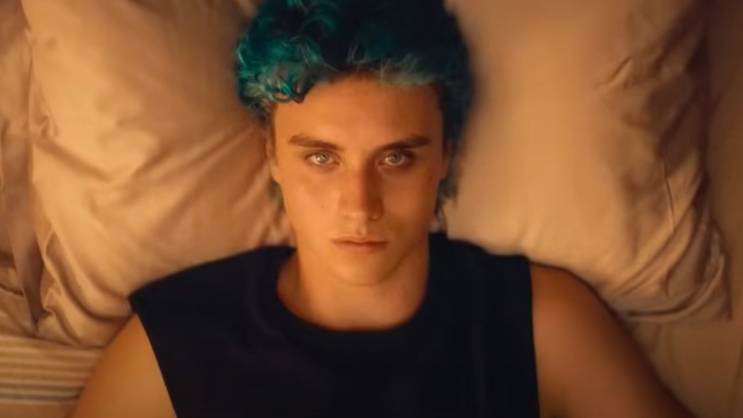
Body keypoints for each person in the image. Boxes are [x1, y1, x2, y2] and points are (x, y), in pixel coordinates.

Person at [69, 0, 696, 417]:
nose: (359, 205)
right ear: (272, 157)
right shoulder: (177, 342)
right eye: (322, 158)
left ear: (445, 156)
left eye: (396, 158)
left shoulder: (536, 322)